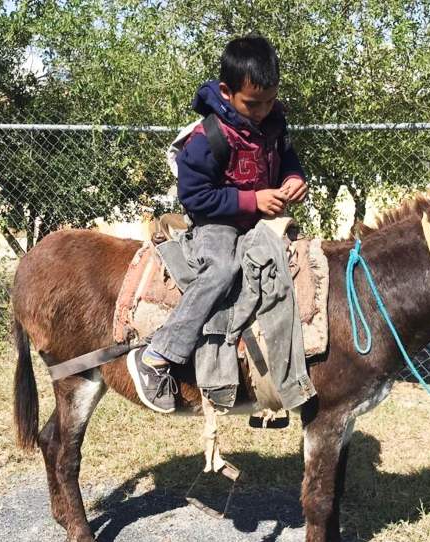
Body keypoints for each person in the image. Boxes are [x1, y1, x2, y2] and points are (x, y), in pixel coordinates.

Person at [127, 34, 307, 413]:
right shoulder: (208, 138)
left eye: (270, 101)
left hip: (262, 220)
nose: (262, 110)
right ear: (226, 91)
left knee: (298, 266)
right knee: (223, 270)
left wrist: (294, 178)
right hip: (216, 223)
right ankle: (159, 353)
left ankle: (273, 373)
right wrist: (251, 199)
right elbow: (193, 197)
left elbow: (287, 157)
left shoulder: (274, 122)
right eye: (253, 103)